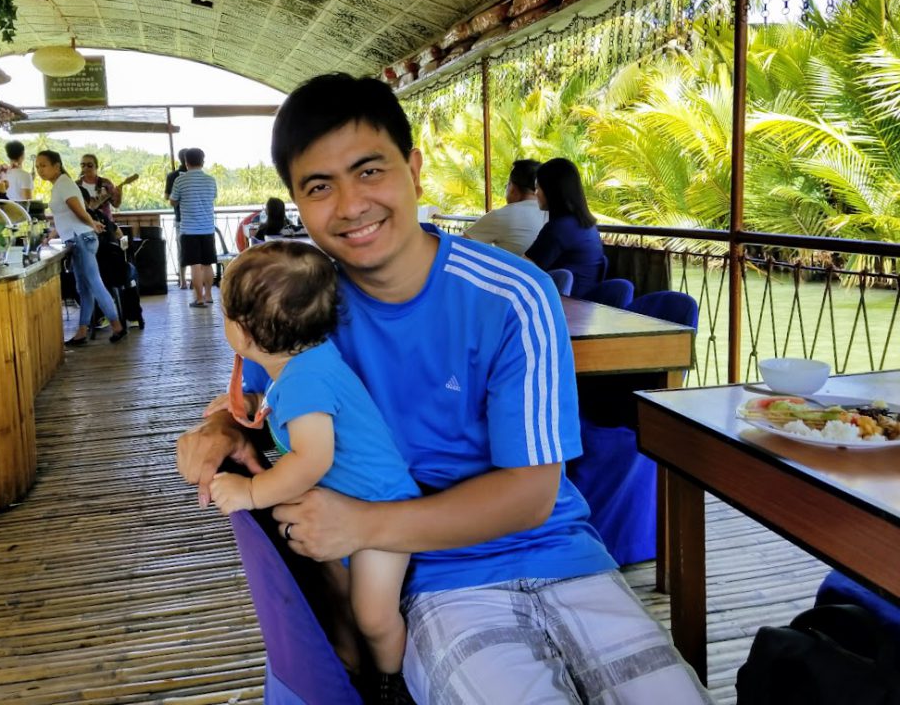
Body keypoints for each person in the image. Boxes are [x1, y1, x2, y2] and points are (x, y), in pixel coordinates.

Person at [175, 73, 711, 705]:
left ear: (414, 168)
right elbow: (263, 409)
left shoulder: (514, 294)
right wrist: (221, 429)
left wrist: (361, 523)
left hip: (564, 557)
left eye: (369, 171)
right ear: (296, 200)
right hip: (432, 578)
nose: (350, 205)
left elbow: (532, 496)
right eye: (320, 186)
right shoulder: (303, 309)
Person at [209, 239, 420, 697]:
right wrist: (250, 405)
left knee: (372, 614)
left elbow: (312, 459)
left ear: (244, 333)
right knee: (343, 599)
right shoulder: (304, 360)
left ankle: (392, 684)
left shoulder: (304, 378)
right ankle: (360, 670)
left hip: (382, 511)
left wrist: (250, 492)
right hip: (352, 504)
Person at [38, 150, 126, 346]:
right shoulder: (61, 185)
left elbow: (78, 210)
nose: (39, 170)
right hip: (77, 238)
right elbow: (65, 217)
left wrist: (91, 223)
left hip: (81, 239)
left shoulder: (64, 184)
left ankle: (117, 326)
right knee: (84, 288)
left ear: (57, 166)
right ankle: (82, 331)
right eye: (37, 167)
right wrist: (52, 234)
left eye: (43, 165)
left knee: (95, 284)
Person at [525, 157, 606, 297]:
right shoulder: (585, 225)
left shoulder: (560, 229)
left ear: (552, 190)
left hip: (567, 306)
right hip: (585, 306)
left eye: (538, 187)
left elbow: (524, 268)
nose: (535, 193)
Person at [463, 159, 545, 255]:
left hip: (513, 269)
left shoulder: (501, 216)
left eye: (508, 184)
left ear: (513, 188)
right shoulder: (553, 214)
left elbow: (460, 244)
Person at [170, 147, 217, 308]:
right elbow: (213, 198)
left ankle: (199, 298)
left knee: (195, 265)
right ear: (202, 161)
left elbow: (173, 201)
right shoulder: (211, 180)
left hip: (189, 230)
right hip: (208, 228)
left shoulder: (180, 180)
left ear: (186, 162)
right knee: (208, 264)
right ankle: (209, 295)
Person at [165, 149, 189, 289]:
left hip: (180, 218)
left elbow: (167, 196)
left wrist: (178, 196)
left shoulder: (172, 176)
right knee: (193, 250)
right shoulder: (199, 177)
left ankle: (183, 280)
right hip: (194, 219)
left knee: (182, 249)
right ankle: (189, 280)